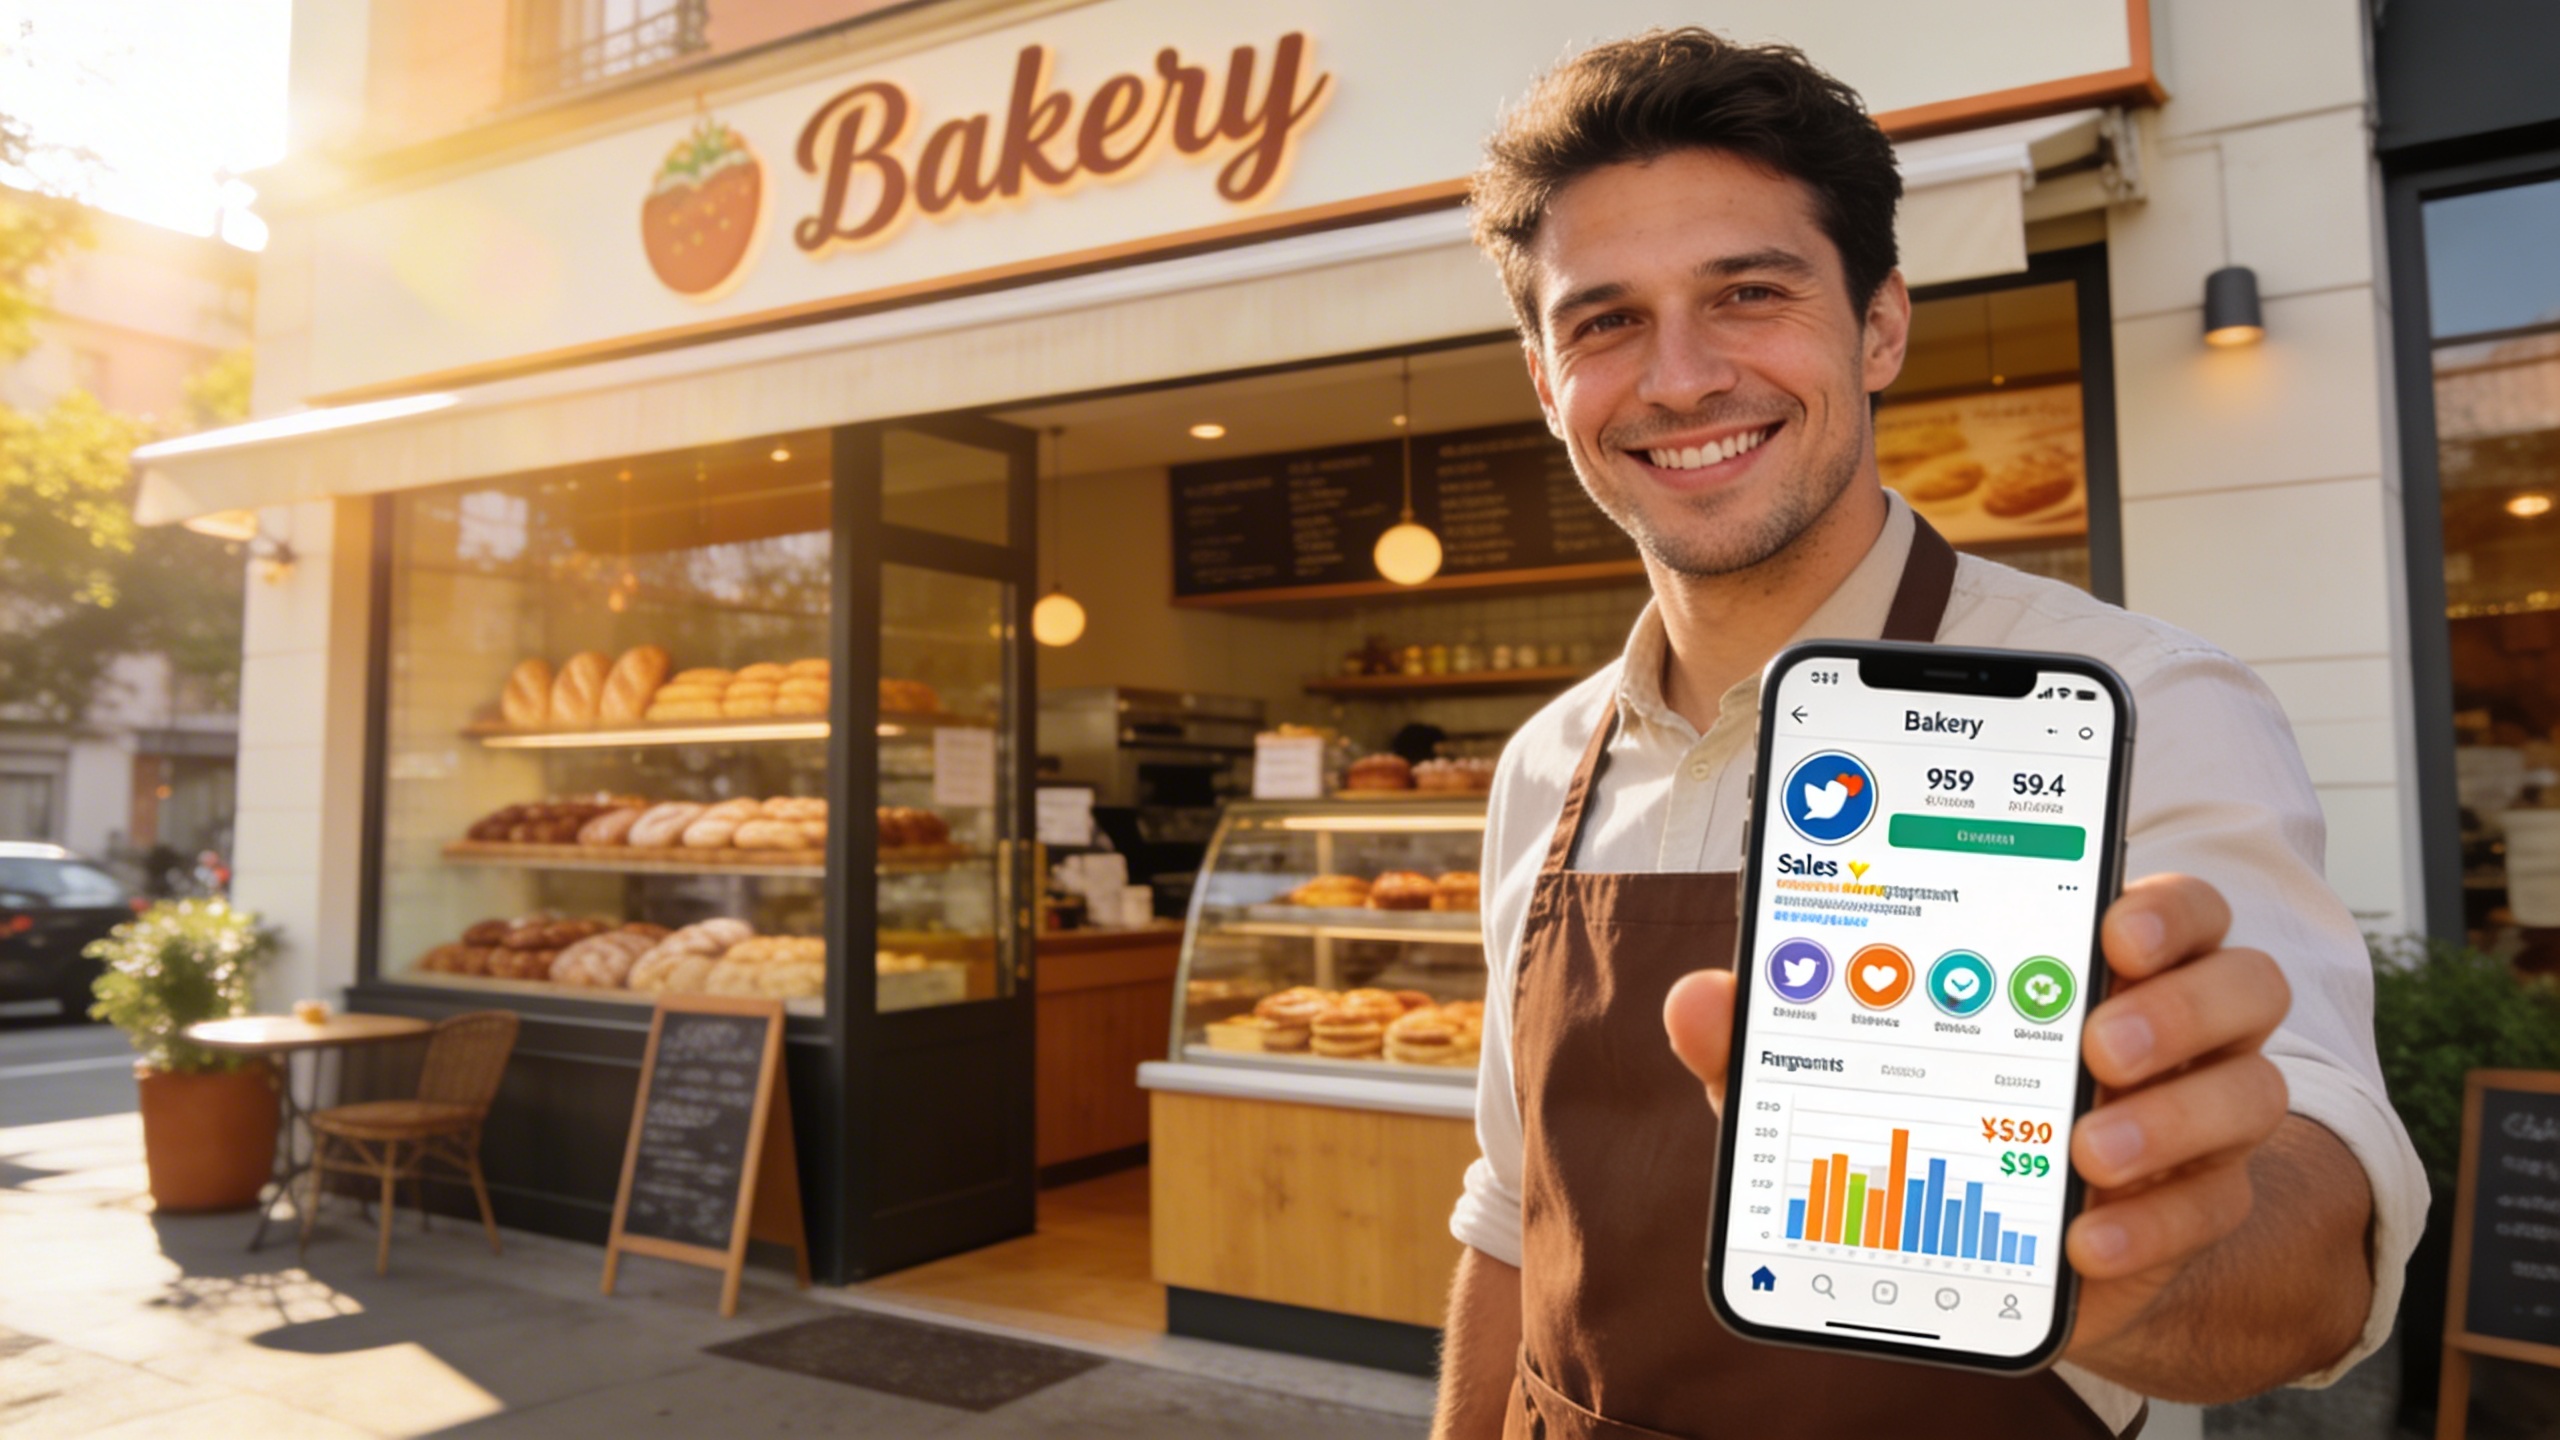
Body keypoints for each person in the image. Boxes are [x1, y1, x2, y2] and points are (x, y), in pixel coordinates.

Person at [1433, 29, 2426, 1440]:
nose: (1681, 377)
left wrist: (2144, 1270)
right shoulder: (1544, 761)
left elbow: (2318, 1224)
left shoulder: (2147, 702)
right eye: (1604, 322)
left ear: (1881, 327)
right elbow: (1510, 1210)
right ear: (1546, 381)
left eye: (1749, 293)